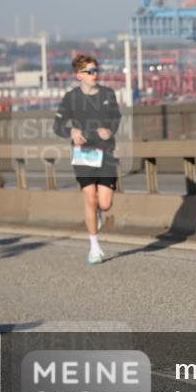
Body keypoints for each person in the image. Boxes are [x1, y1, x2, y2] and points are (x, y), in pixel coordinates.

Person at [53, 54, 122, 264]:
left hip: (106, 154)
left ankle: (98, 213)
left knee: (105, 203)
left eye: (96, 70)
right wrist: (71, 131)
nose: (94, 74)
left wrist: (109, 131)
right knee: (90, 199)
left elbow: (116, 118)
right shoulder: (70, 97)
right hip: (83, 155)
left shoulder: (108, 94)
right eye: (89, 71)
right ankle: (94, 247)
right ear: (78, 75)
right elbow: (57, 126)